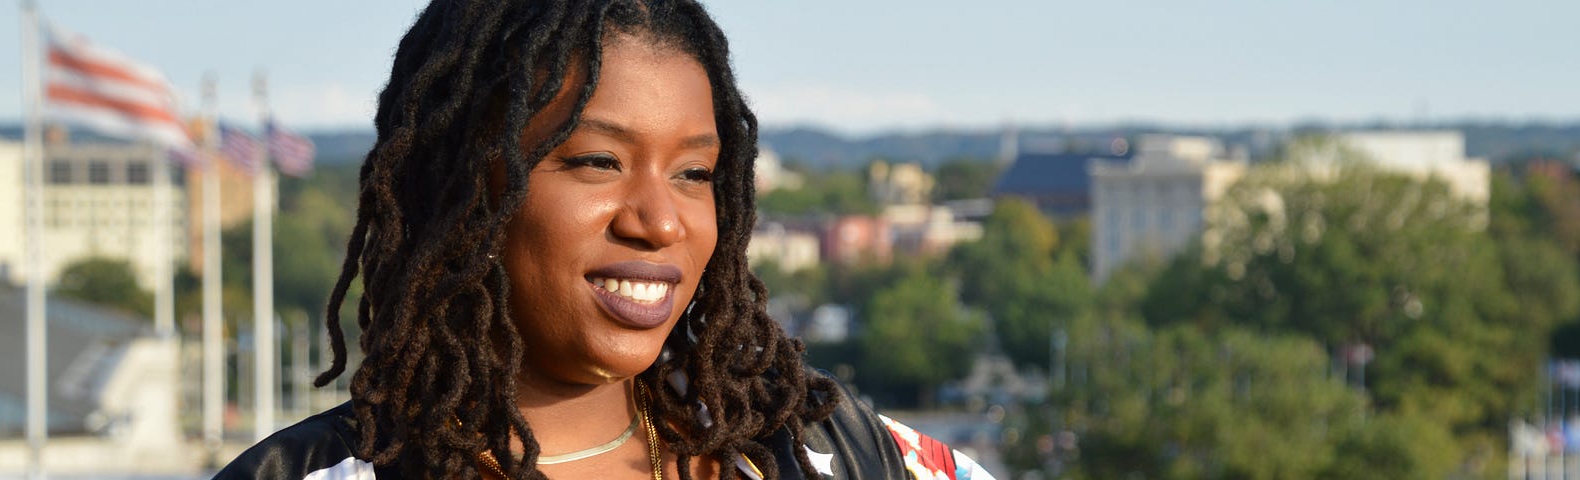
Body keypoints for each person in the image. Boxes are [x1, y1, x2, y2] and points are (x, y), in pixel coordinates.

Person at [215, 1, 995, 479]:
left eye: (695, 173)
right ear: (459, 191)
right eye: (597, 161)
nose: (658, 221)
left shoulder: (830, 453)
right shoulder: (318, 476)